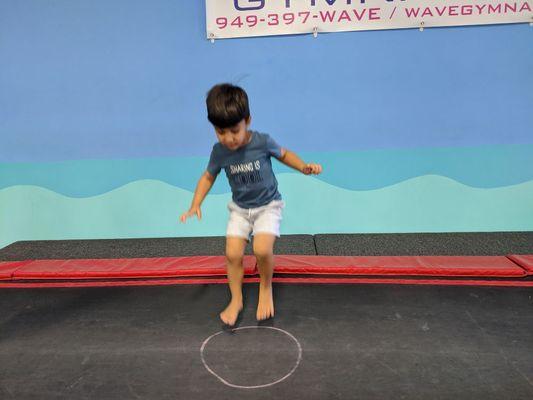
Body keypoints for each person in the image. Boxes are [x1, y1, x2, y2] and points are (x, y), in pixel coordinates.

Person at [180, 83, 322, 326]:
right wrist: (195, 203)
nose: (229, 138)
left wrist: (304, 167)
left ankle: (265, 287)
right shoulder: (219, 152)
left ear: (247, 120)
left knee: (262, 249)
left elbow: (284, 154)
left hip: (268, 205)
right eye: (220, 132)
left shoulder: (262, 142)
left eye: (234, 130)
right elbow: (208, 177)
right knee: (232, 253)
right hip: (240, 209)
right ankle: (236, 300)